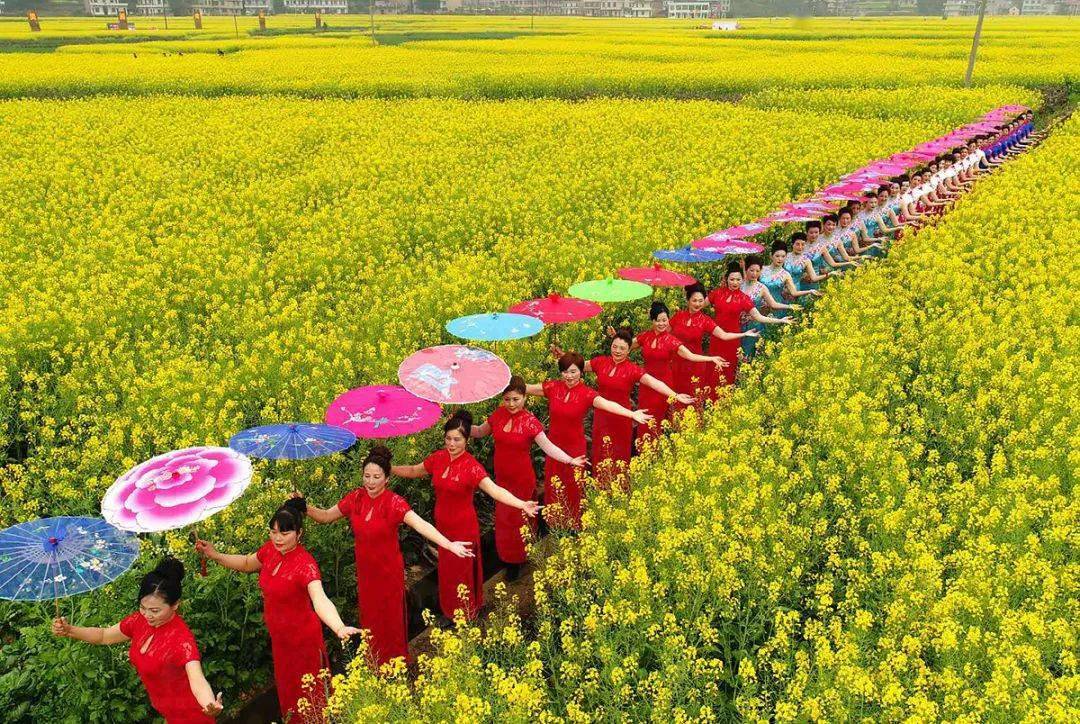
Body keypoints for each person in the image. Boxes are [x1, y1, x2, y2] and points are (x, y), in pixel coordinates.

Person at [295, 446, 474, 667]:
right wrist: (304, 507)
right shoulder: (356, 498)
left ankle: (396, 664)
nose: (370, 482)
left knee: (390, 620)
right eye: (367, 476)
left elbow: (420, 525)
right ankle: (376, 662)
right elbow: (325, 517)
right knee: (370, 619)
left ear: (387, 478)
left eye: (376, 477)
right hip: (366, 574)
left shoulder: (394, 503)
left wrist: (448, 544)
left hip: (388, 573)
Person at [195, 499, 360, 720]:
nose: (277, 538)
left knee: (310, 696)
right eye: (273, 532)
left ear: (299, 533)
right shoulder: (269, 551)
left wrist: (339, 627)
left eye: (284, 533)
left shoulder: (305, 564)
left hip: (303, 642)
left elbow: (319, 599)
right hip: (281, 641)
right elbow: (245, 563)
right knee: (289, 693)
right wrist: (215, 555)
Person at [391, 410, 540, 620]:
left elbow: (495, 490)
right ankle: (450, 611)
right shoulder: (438, 458)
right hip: (442, 526)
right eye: (448, 439)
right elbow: (415, 470)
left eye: (457, 439)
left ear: (467, 440)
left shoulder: (472, 467)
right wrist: (389, 469)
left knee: (461, 571)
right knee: (447, 571)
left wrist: (521, 503)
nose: (452, 444)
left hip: (463, 527)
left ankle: (466, 613)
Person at [52, 557, 223, 723]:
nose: (147, 615)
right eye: (143, 607)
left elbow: (197, 679)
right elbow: (104, 636)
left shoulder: (182, 640)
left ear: (175, 605)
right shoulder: (139, 621)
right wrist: (70, 630)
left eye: (155, 610)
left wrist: (209, 703)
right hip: (167, 710)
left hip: (192, 715)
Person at [470, 377, 585, 578]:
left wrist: (570, 460)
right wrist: (461, 425)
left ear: (524, 397)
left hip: (522, 479)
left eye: (516, 399)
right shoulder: (498, 415)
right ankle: (508, 559)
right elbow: (479, 432)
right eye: (507, 400)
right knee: (504, 521)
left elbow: (548, 447)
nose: (511, 404)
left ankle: (521, 560)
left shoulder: (531, 423)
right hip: (502, 480)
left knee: (519, 520)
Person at [522, 352, 650, 529]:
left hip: (574, 446)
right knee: (553, 483)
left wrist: (631, 413)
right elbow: (525, 388)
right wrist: (503, 380)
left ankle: (573, 525)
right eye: (565, 372)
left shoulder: (587, 394)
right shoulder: (552, 387)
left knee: (573, 486)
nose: (569, 376)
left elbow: (609, 405)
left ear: (581, 372)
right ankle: (555, 524)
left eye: (574, 372)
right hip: (553, 446)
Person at [552, 330, 694, 487]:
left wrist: (675, 395)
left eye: (622, 348)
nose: (617, 351)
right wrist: (563, 356)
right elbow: (578, 366)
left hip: (622, 418)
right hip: (601, 416)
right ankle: (602, 487)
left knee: (619, 454)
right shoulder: (600, 362)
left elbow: (654, 383)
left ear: (628, 350)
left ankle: (620, 489)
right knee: (600, 452)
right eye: (614, 346)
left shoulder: (632, 369)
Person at [620, 300, 731, 445]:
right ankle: (645, 449)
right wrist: (616, 336)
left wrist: (711, 359)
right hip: (646, 383)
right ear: (652, 321)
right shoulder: (645, 337)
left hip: (664, 381)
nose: (662, 324)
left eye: (665, 320)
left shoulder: (671, 340)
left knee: (659, 417)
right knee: (645, 415)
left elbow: (690, 355)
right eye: (658, 320)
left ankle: (664, 446)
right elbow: (625, 347)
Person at [670, 282, 757, 404]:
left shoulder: (705, 321)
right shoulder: (677, 316)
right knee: (676, 398)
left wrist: (744, 334)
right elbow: (665, 335)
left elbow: (724, 335)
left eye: (701, 301)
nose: (698, 304)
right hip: (677, 364)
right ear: (688, 300)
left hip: (696, 365)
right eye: (694, 300)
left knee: (693, 400)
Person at [709, 263, 793, 382]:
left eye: (738, 280)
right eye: (732, 279)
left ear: (742, 280)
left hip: (733, 337)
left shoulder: (744, 298)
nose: (735, 282)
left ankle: (724, 395)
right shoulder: (717, 293)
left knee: (727, 367)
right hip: (716, 336)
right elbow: (700, 305)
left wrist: (780, 320)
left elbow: (758, 317)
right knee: (712, 365)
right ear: (726, 279)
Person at [737, 256, 801, 361]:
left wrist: (789, 306)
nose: (754, 274)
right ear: (746, 270)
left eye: (757, 271)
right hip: (736, 325)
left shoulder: (761, 288)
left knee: (747, 356)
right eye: (751, 270)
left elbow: (773, 304)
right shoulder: (739, 284)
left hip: (754, 325)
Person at [761, 242, 821, 314]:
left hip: (777, 307)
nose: (780, 259)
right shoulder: (762, 269)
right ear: (771, 256)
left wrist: (810, 291)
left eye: (783, 256)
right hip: (759, 308)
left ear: (786, 257)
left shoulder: (786, 275)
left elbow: (794, 293)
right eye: (777, 256)